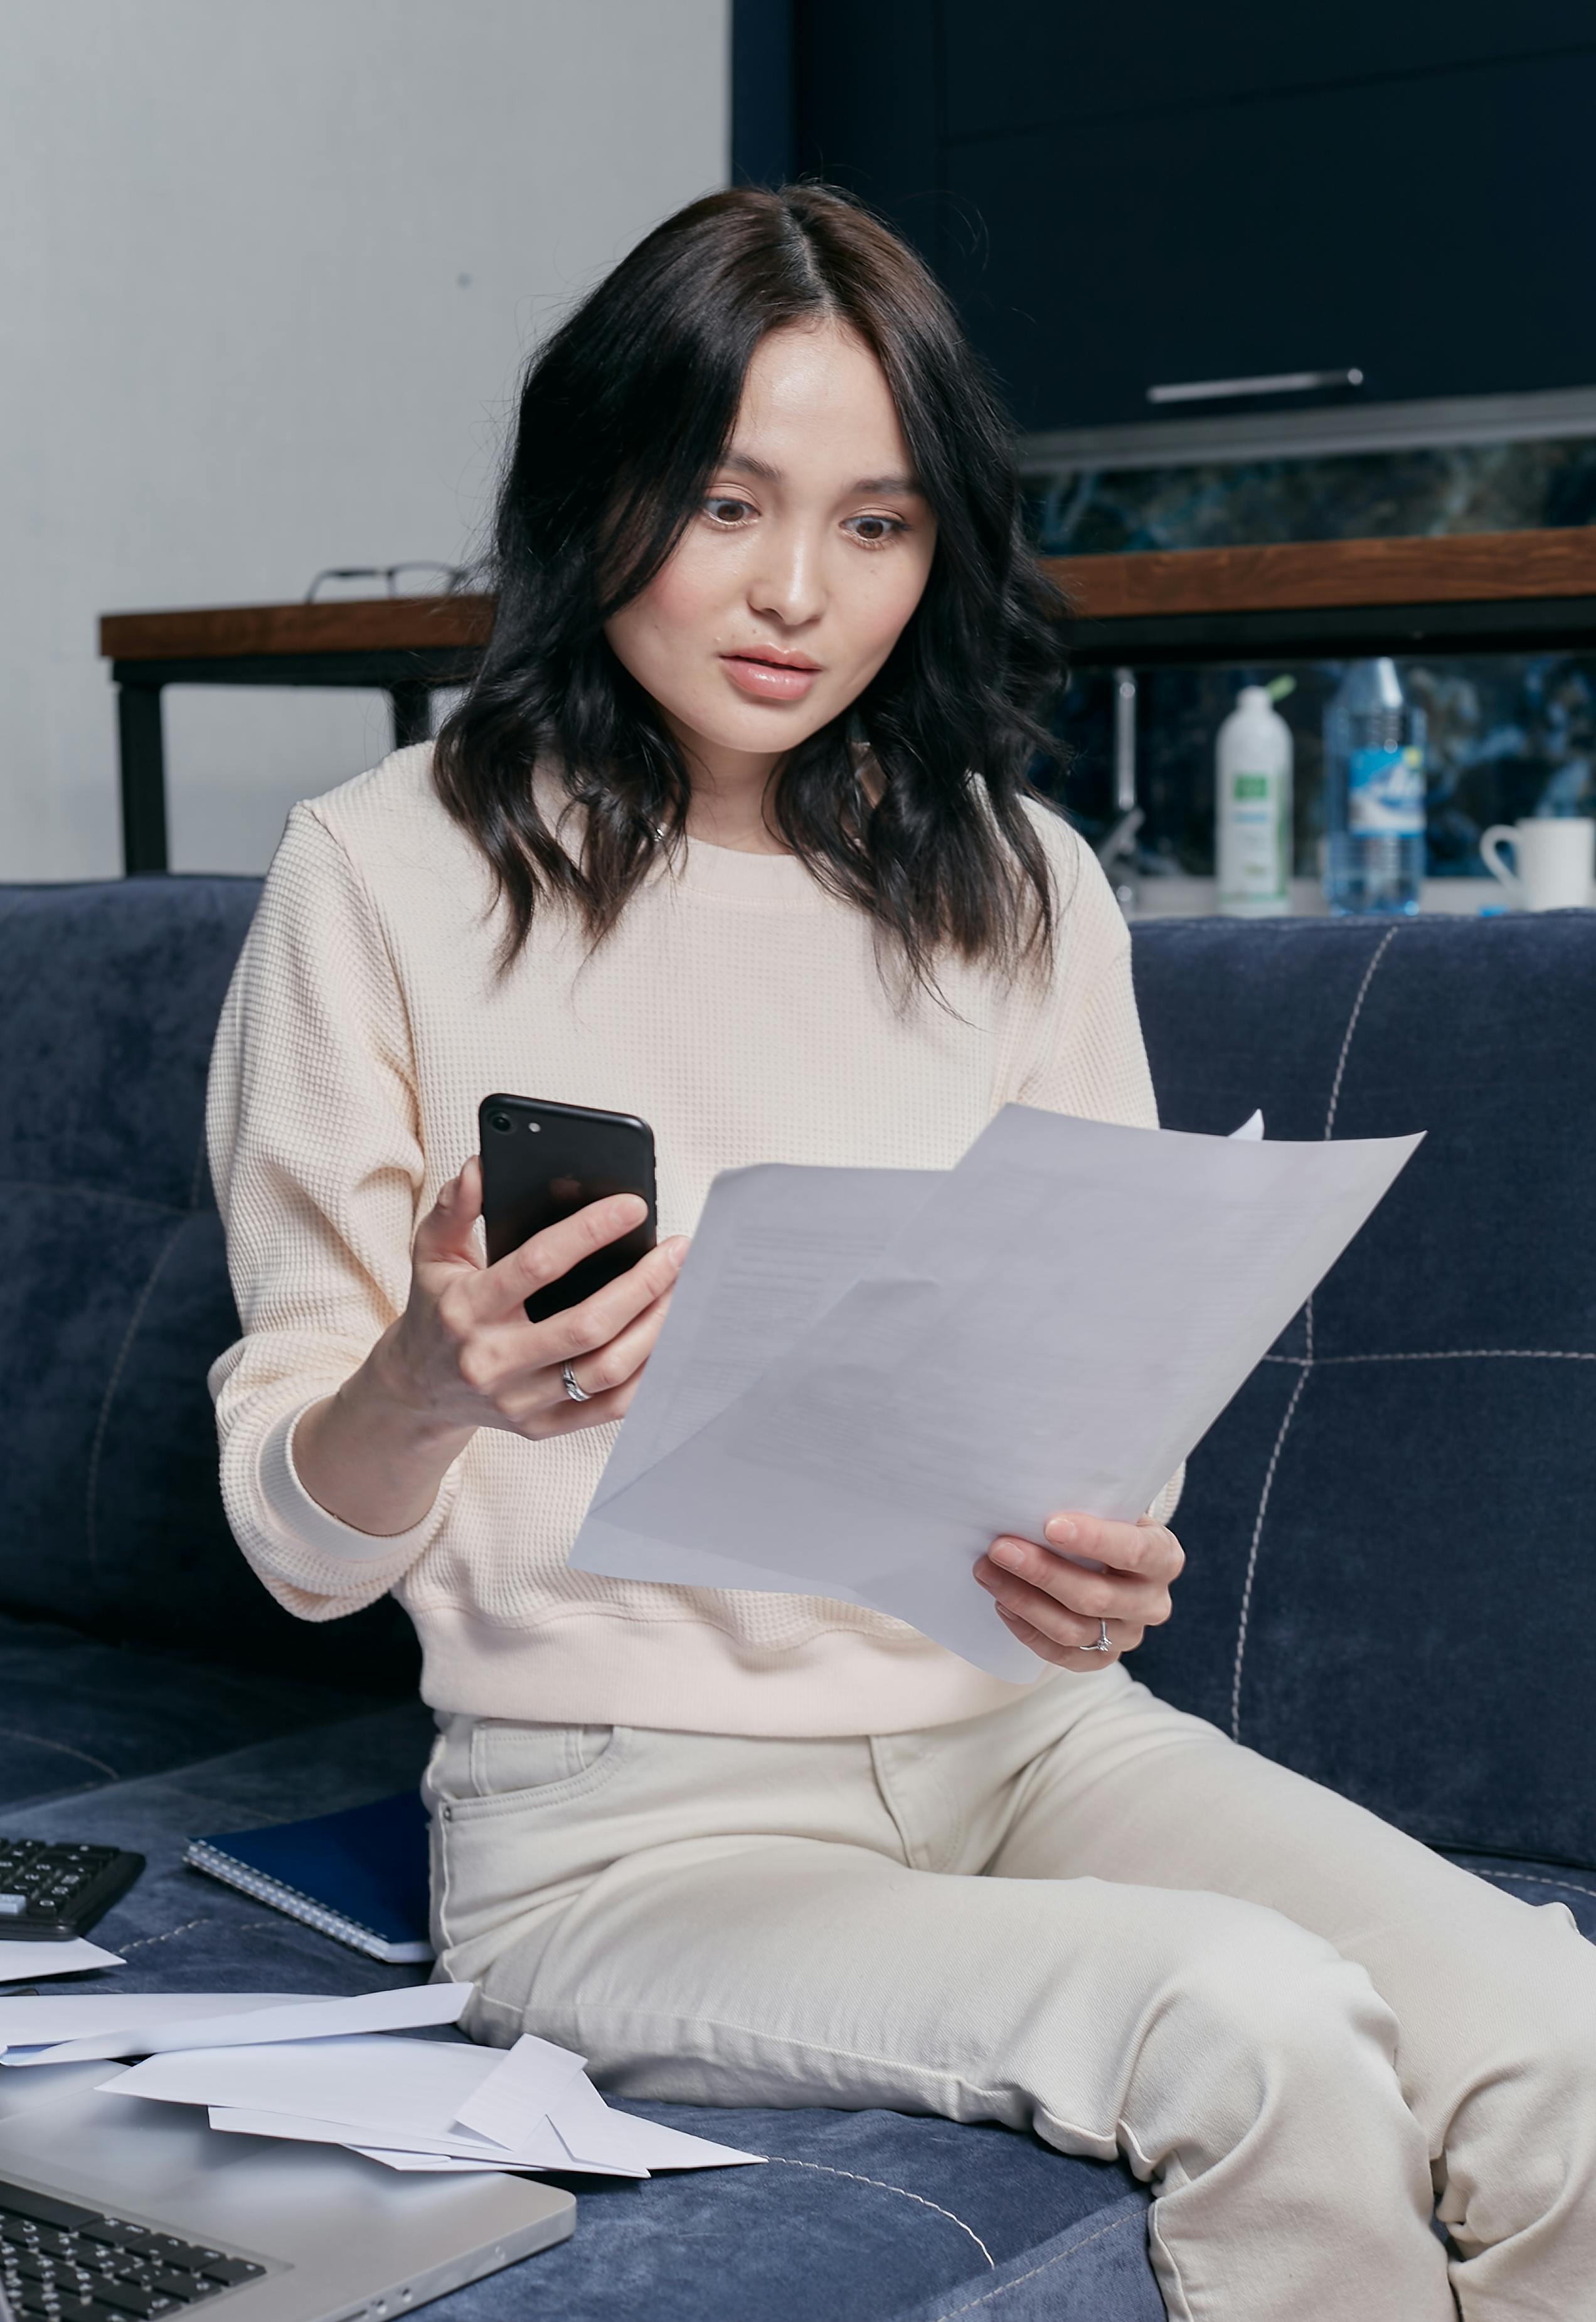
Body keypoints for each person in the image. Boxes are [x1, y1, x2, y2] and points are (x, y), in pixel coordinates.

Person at [206, 184, 1596, 2320]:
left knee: (1561, 2039)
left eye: (876, 524)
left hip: (1032, 1730)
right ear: (602, 492)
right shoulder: (382, 874)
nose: (795, 594)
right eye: (729, 502)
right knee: (1257, 2022)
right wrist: (420, 1384)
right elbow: (303, 1543)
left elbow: (1105, 1376)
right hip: (624, 1831)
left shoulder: (1021, 880)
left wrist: (1110, 1543)